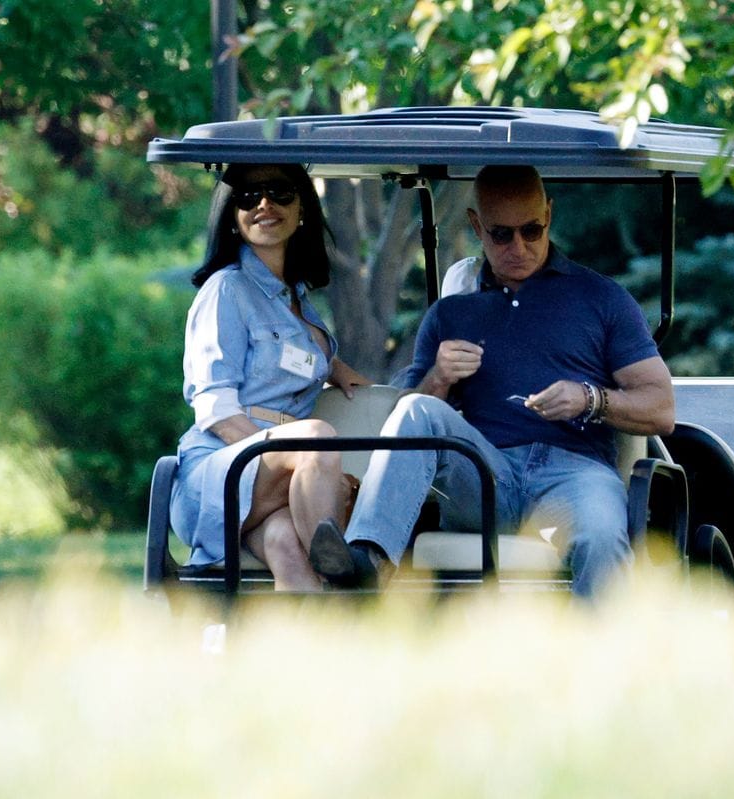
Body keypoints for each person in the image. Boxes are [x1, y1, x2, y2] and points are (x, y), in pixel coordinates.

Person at [308, 165, 675, 598]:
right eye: (502, 234)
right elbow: (409, 420)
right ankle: (366, 560)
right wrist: (438, 378)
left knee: (600, 532)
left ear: (549, 216)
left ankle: (601, 661)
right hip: (484, 474)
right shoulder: (450, 314)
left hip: (574, 475)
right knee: (417, 408)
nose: (518, 246)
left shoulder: (601, 299)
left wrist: (588, 398)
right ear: (476, 225)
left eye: (532, 230)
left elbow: (661, 409)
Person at [169, 163, 370, 591]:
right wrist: (302, 462)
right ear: (233, 217)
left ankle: (305, 647)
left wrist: (336, 368)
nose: (264, 204)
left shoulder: (297, 297)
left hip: (271, 480)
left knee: (285, 546)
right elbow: (216, 409)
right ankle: (345, 573)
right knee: (314, 435)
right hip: (220, 473)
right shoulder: (226, 289)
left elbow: (289, 357)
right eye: (248, 196)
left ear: (302, 210)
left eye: (280, 192)